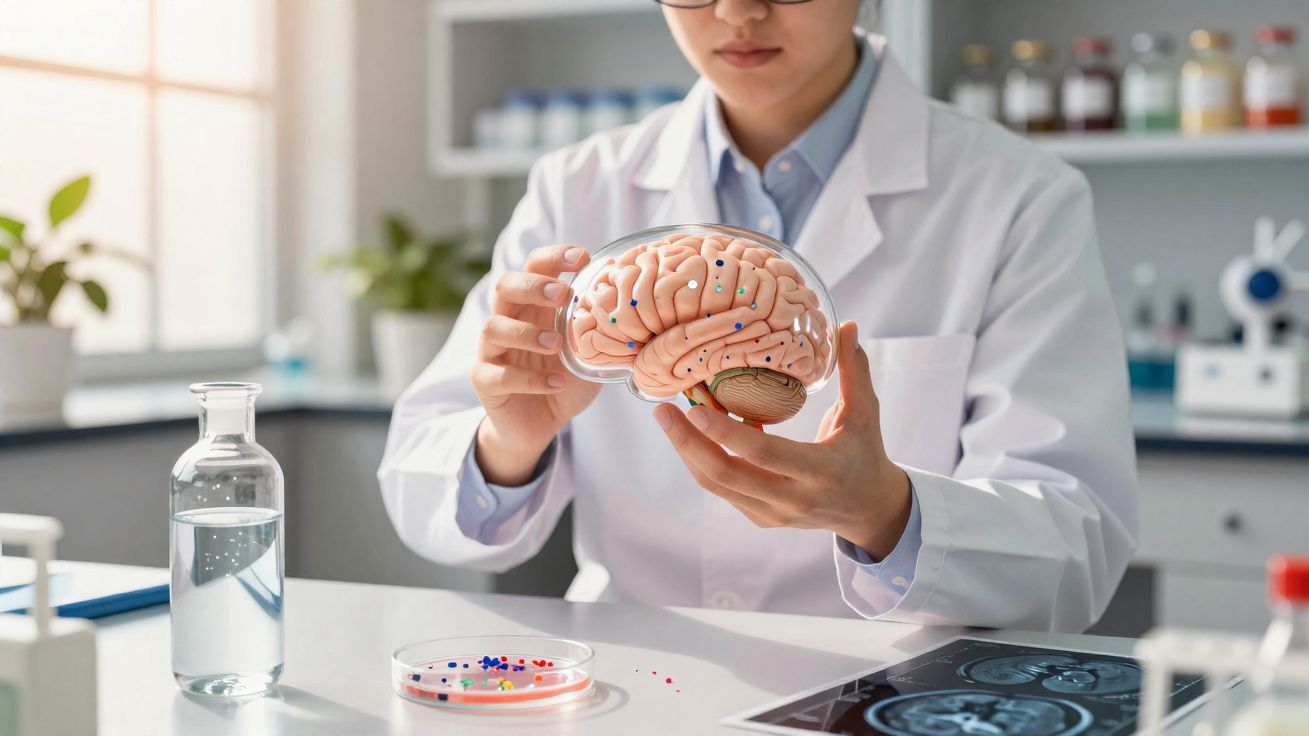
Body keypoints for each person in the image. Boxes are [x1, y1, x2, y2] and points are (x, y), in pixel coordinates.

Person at [379, 0, 1137, 631]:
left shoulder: (1019, 198)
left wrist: (887, 515)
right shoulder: (575, 188)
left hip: (884, 689)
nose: (739, 11)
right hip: (638, 688)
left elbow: (1075, 543)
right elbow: (423, 491)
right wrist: (509, 444)